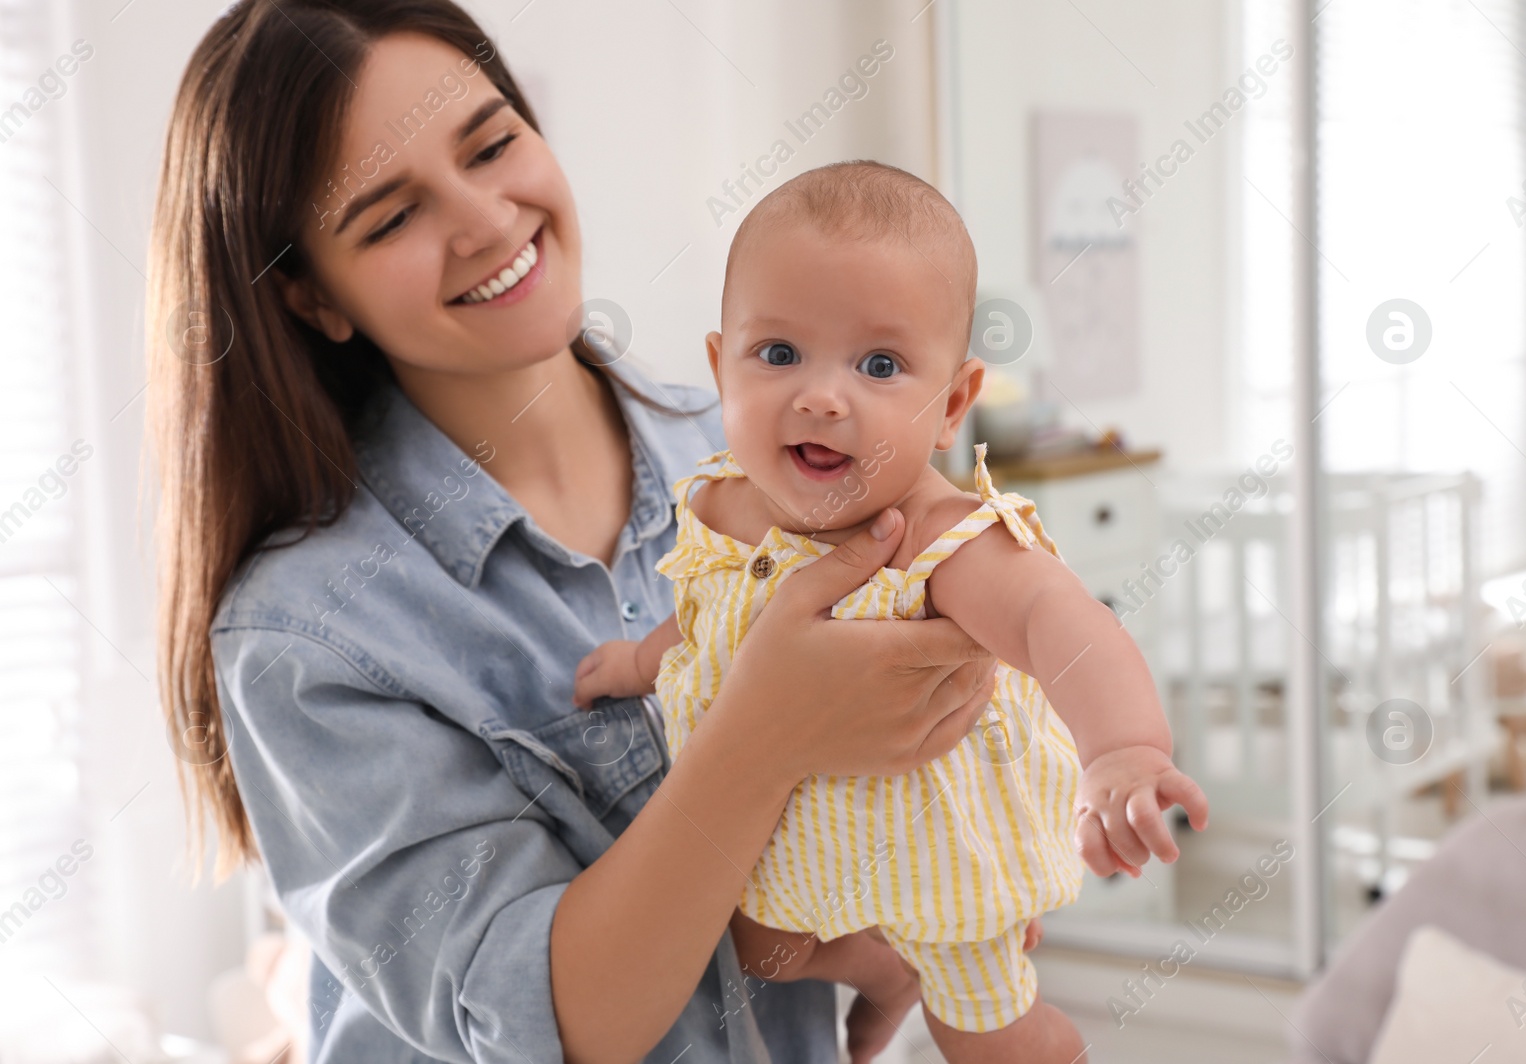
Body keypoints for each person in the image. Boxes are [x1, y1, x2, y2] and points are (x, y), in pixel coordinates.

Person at [145, 4, 1005, 1061]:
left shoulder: (763, 457)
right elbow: (547, 1020)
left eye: (492, 144)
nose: (486, 220)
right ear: (313, 296)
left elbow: (950, 745)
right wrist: (766, 728)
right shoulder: (307, 631)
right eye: (389, 216)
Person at [573, 161, 1211, 1061]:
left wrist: (1125, 749)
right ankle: (877, 973)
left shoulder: (939, 538)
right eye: (779, 354)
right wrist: (638, 664)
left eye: (879, 365)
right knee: (748, 946)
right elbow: (711, 622)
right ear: (722, 371)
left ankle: (1033, 1038)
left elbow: (1057, 622)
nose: (822, 396)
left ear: (950, 405)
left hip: (940, 874)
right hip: (787, 863)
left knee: (983, 1040)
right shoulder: (724, 505)